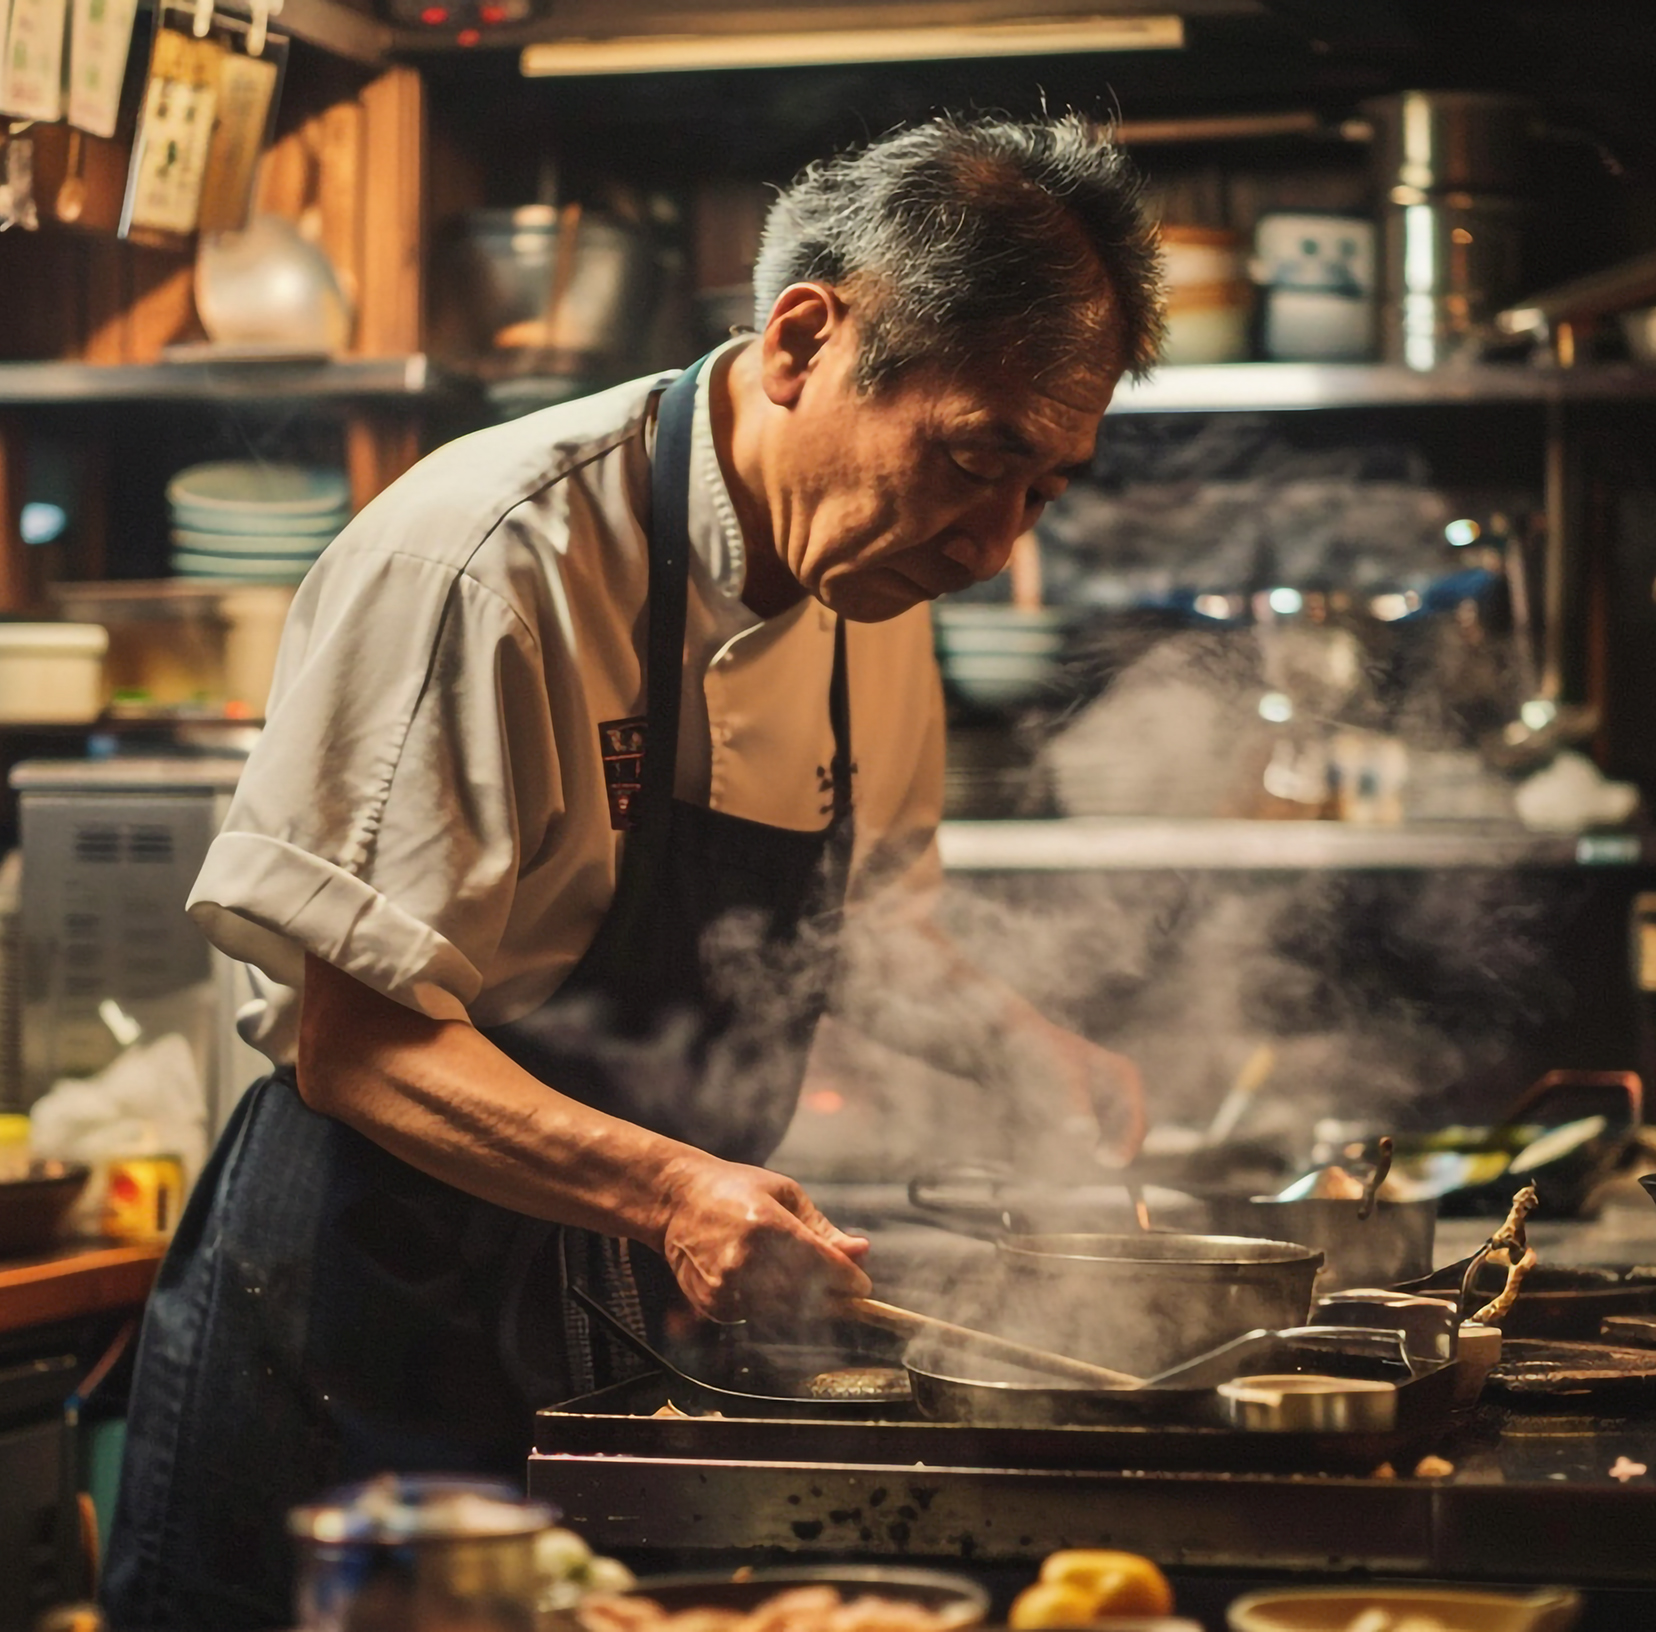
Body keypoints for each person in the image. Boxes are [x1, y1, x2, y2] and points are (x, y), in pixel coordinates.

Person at [104, 113, 1166, 1631]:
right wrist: (669, 1189)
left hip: (625, 1333)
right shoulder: (487, 560)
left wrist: (1024, 1050)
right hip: (372, 1310)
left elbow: (845, 932)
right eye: (976, 458)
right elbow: (349, 1034)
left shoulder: (880, 586)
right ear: (804, 338)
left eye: (1044, 489)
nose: (997, 542)